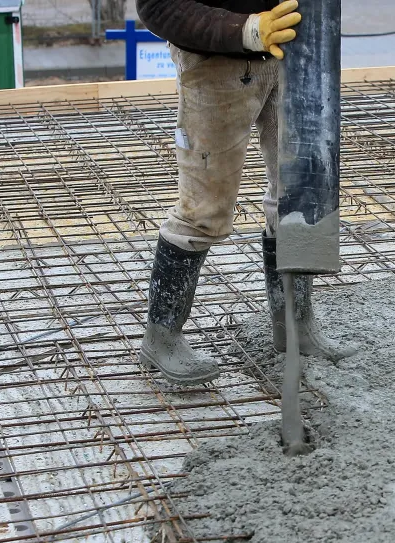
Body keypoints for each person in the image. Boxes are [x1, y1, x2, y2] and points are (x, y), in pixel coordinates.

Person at [135, 0, 355, 386]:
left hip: (295, 54)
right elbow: (159, 6)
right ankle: (162, 338)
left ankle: (294, 326)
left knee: (299, 197)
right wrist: (248, 29)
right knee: (204, 210)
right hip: (217, 67)